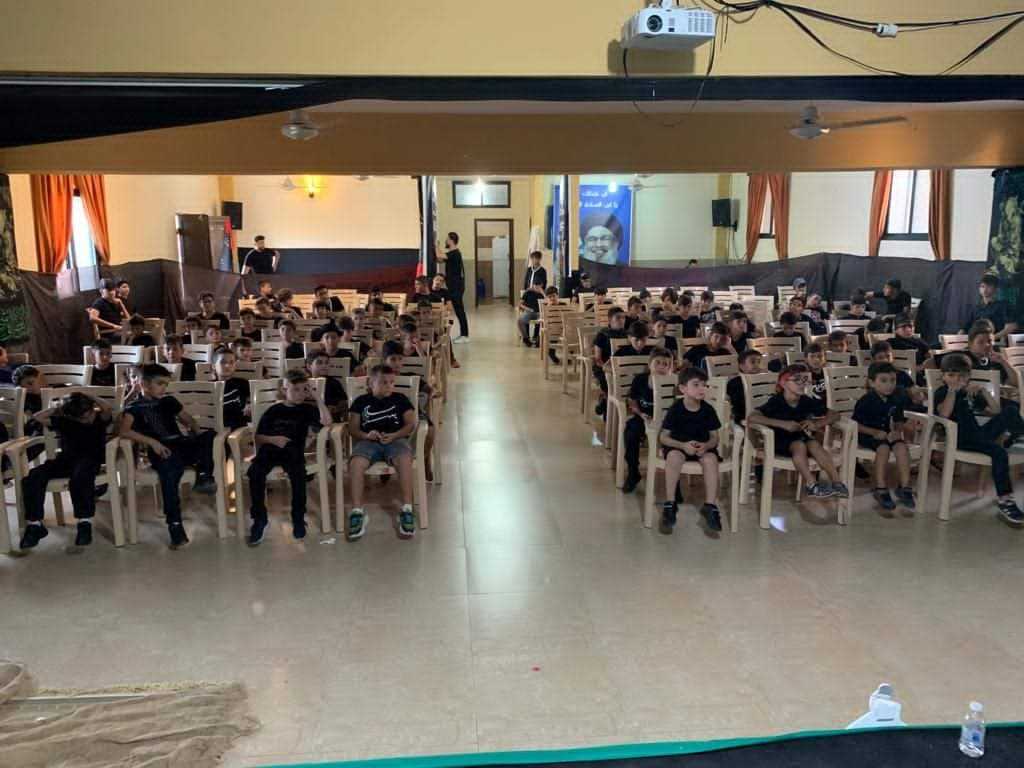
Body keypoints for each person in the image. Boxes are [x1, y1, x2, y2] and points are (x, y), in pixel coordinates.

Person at [119, 363, 217, 549]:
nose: (164, 388)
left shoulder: (168, 401)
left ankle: (204, 476)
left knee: (210, 436)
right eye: (160, 383)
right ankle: (175, 524)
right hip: (161, 450)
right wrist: (152, 442)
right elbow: (124, 431)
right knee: (170, 475)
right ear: (144, 384)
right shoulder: (134, 407)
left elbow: (189, 420)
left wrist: (196, 434)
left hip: (180, 444)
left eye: (166, 384)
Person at [934, 353, 1024, 525]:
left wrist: (983, 392)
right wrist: (952, 391)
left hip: (978, 435)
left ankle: (1018, 436)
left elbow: (996, 411)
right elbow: (944, 414)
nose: (956, 379)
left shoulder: (969, 393)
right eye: (951, 375)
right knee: (999, 453)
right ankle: (1005, 500)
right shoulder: (943, 392)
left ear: (968, 377)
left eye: (962, 376)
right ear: (943, 376)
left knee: (1010, 411)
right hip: (961, 439)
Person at [246, 369, 332, 545]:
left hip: (293, 451)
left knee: (299, 476)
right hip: (270, 449)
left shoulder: (307, 409)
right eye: (295, 389)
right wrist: (273, 439)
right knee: (255, 472)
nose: (300, 394)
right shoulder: (274, 410)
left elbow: (327, 422)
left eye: (304, 389)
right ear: (284, 390)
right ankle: (260, 519)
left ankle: (298, 518)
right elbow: (258, 437)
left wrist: (316, 397)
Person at [18, 392, 114, 550]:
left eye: (89, 414)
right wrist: (58, 408)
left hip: (90, 460)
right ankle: (35, 524)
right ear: (72, 416)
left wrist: (90, 397)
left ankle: (84, 522)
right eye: (82, 418)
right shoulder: (65, 421)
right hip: (65, 460)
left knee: (80, 478)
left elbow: (108, 408)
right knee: (33, 476)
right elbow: (38, 417)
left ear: (92, 409)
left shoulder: (99, 419)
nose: (87, 419)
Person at [747, 364, 848, 500]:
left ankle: (837, 483)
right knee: (800, 445)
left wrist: (817, 423)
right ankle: (812, 484)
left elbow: (835, 414)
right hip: (779, 441)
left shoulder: (805, 400)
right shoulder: (776, 401)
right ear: (783, 383)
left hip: (801, 437)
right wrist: (783, 424)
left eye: (805, 379)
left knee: (814, 444)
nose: (802, 383)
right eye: (797, 380)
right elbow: (752, 417)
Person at [346, 365, 419, 540]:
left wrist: (395, 435)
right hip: (368, 442)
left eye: (392, 382)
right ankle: (357, 511)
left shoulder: (400, 399)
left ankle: (407, 509)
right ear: (371, 383)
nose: (389, 386)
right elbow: (352, 428)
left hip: (396, 440)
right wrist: (366, 435)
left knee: (404, 459)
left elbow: (410, 424)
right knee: (356, 463)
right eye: (383, 382)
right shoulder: (361, 401)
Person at [658, 368, 725, 533]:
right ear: (683, 389)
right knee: (673, 457)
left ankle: (710, 506)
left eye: (704, 385)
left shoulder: (708, 410)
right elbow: (663, 437)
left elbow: (714, 437)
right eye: (696, 385)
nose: (702, 388)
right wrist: (682, 445)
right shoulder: (676, 409)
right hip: (679, 446)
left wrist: (707, 446)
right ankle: (670, 504)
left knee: (711, 460)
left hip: (702, 448)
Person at [854, 362, 916, 512]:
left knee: (901, 447)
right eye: (883, 380)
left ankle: (905, 487)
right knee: (883, 449)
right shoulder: (866, 401)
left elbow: (899, 419)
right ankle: (880, 487)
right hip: (867, 435)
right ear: (872, 383)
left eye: (892, 380)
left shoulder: (896, 398)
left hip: (886, 433)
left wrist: (897, 431)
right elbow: (855, 425)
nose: (889, 385)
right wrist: (874, 432)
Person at [622, 347, 674, 493]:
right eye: (658, 363)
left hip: (667, 421)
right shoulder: (640, 380)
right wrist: (640, 413)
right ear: (650, 364)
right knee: (630, 433)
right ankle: (633, 473)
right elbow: (632, 401)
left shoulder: (673, 382)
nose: (661, 367)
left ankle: (674, 484)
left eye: (666, 364)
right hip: (644, 417)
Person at [382, 341, 436, 481]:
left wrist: (430, 393)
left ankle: (423, 460)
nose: (397, 363)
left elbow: (429, 389)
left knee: (430, 430)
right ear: (384, 360)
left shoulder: (411, 377)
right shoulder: (379, 379)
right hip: (387, 417)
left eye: (400, 359)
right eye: (393, 359)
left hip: (412, 415)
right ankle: (387, 464)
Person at [930, 322, 1019, 387]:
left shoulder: (996, 360)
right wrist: (941, 384)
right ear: (970, 344)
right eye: (980, 342)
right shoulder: (960, 357)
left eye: (989, 341)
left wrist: (1004, 362)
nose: (986, 345)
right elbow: (929, 363)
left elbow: (1016, 383)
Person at [592, 306, 629, 417]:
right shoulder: (602, 335)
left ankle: (606, 402)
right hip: (603, 366)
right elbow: (598, 358)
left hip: (622, 367)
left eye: (623, 318)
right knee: (609, 381)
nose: (621, 320)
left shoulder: (627, 334)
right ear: (609, 320)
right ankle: (607, 407)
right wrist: (608, 369)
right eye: (618, 318)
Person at [870, 341, 926, 409]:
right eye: (880, 357)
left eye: (888, 356)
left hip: (904, 409)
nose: (885, 360)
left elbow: (917, 394)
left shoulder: (901, 374)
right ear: (873, 360)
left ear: (892, 357)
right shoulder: (872, 377)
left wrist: (917, 395)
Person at [436, 232, 469, 342]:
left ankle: (465, 335)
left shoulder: (455, 253)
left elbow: (440, 256)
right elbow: (440, 259)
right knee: (459, 310)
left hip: (456, 287)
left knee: (460, 311)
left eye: (447, 239)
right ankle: (464, 335)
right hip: (454, 286)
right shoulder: (451, 254)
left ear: (451, 240)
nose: (445, 241)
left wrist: (436, 245)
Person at [963, 274, 1016, 341]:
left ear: (996, 288)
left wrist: (991, 338)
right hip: (977, 343)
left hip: (997, 343)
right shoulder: (976, 308)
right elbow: (965, 328)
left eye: (989, 286)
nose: (985, 289)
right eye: (982, 286)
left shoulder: (1004, 305)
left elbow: (1011, 327)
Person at [212, 348, 250, 430]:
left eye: (231, 362)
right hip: (214, 429)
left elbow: (254, 400)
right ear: (213, 366)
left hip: (238, 429)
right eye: (223, 362)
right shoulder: (209, 387)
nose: (227, 366)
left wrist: (250, 405)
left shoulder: (242, 383)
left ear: (235, 365)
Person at [307, 351, 348, 423]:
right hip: (310, 419)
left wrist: (336, 408)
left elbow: (344, 401)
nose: (324, 366)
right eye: (319, 363)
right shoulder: (304, 383)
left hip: (331, 419)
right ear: (309, 366)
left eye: (326, 363)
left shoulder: (334, 383)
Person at [518, 251, 548, 346]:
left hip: (538, 300)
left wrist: (539, 289)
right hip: (528, 296)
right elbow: (526, 282)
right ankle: (526, 337)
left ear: (539, 259)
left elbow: (543, 284)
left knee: (540, 317)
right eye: (533, 258)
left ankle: (536, 337)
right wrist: (527, 290)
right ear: (532, 259)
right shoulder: (529, 270)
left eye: (537, 258)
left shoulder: (542, 271)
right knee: (525, 317)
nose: (535, 260)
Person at [726, 349, 763, 425]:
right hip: (743, 417)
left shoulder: (763, 381)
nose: (757, 365)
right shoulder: (735, 383)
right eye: (753, 362)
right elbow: (736, 404)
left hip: (761, 415)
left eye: (759, 362)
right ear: (742, 366)